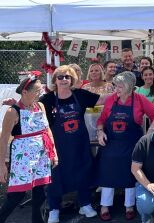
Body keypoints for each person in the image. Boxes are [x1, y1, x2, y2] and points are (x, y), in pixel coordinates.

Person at [40, 66, 108, 222]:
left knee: (83, 172)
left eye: (67, 77)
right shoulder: (48, 99)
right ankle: (54, 209)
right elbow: (33, 107)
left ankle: (85, 204)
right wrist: (16, 104)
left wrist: (122, 91)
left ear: (72, 80)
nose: (64, 79)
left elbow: (102, 99)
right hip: (57, 146)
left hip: (79, 144)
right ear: (55, 80)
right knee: (55, 176)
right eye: (60, 77)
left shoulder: (80, 95)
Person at [96, 71, 154, 221]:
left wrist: (150, 131)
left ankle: (129, 206)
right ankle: (105, 205)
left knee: (130, 171)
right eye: (115, 86)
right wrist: (100, 132)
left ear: (129, 87)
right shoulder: (111, 99)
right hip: (111, 142)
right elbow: (102, 119)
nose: (116, 89)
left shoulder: (140, 99)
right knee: (107, 169)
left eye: (119, 86)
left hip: (132, 143)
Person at [0, 74, 57, 223]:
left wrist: (54, 153)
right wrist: (1, 165)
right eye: (37, 91)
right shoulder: (13, 112)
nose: (40, 93)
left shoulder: (40, 106)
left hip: (42, 155)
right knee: (17, 195)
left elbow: (47, 130)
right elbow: (3, 139)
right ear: (25, 92)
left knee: (41, 193)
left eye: (41, 90)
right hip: (23, 158)